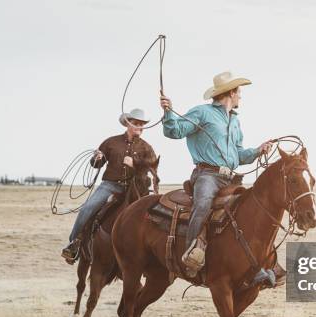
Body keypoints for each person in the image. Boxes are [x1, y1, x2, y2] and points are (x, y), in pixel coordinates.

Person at [159, 71, 275, 285]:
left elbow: (238, 155)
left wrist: (259, 151)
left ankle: (261, 261)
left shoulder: (235, 121)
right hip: (207, 175)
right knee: (202, 204)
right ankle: (191, 255)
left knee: (252, 208)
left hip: (230, 178)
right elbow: (175, 131)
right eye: (239, 92)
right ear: (230, 92)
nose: (240, 96)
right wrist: (168, 113)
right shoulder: (202, 112)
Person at [61, 108, 157, 264]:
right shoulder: (111, 142)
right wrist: (96, 158)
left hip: (136, 189)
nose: (140, 126)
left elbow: (152, 167)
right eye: (136, 123)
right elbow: (96, 164)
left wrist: (136, 163)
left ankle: (152, 255)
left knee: (153, 216)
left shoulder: (146, 147)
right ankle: (74, 244)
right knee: (88, 208)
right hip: (110, 185)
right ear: (128, 124)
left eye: (142, 124)